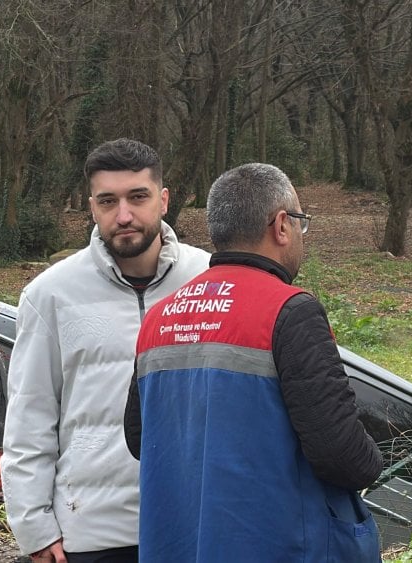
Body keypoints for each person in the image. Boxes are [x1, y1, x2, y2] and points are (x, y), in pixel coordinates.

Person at [123, 163, 383, 562]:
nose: (300, 236)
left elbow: (140, 440)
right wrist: (374, 457)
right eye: (300, 223)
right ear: (281, 225)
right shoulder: (290, 311)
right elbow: (343, 457)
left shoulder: (159, 318)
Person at [0, 138, 211, 563]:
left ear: (164, 200)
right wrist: (34, 528)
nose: (124, 215)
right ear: (92, 207)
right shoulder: (50, 294)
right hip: (94, 533)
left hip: (196, 524)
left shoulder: (210, 279)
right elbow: (29, 417)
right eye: (108, 201)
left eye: (138, 197)